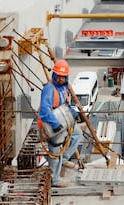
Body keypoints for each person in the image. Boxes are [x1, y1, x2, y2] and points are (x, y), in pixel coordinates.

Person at [39, 59, 82, 188]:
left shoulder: (63, 88)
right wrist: (54, 124)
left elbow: (65, 105)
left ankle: (64, 159)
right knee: (55, 149)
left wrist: (74, 114)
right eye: (59, 77)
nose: (61, 79)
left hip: (62, 121)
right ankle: (54, 179)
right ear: (55, 75)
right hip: (51, 123)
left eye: (64, 77)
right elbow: (45, 110)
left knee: (77, 134)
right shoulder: (49, 89)